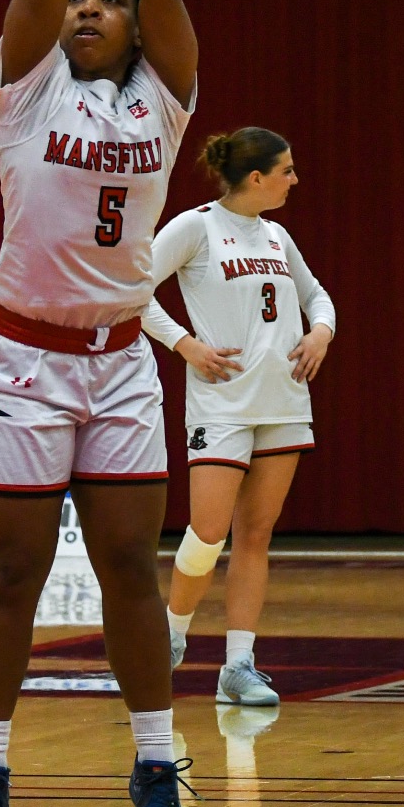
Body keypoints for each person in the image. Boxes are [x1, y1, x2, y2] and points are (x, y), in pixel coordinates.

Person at [0, 0, 198, 807]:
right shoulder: (26, 86)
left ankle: (153, 760)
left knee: (131, 569)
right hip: (20, 356)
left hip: (121, 362)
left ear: (136, 24)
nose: (87, 6)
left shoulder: (167, 94)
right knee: (11, 573)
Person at [144, 127, 336, 708]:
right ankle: (170, 635)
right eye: (287, 170)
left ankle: (238, 666)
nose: (295, 180)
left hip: (283, 400)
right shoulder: (195, 226)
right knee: (208, 532)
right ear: (256, 178)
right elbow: (133, 289)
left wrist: (321, 332)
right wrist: (185, 344)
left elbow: (317, 296)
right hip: (222, 402)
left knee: (256, 534)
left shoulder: (277, 235)